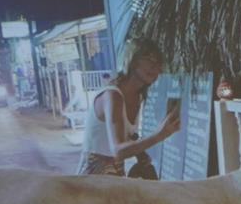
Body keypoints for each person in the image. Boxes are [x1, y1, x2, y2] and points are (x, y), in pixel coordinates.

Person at [76, 38, 181, 176]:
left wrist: (140, 153)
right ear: (133, 59)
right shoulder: (113, 95)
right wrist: (160, 135)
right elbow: (118, 151)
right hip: (93, 178)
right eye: (150, 60)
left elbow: (128, 136)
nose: (156, 68)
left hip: (115, 173)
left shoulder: (138, 96)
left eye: (159, 65)